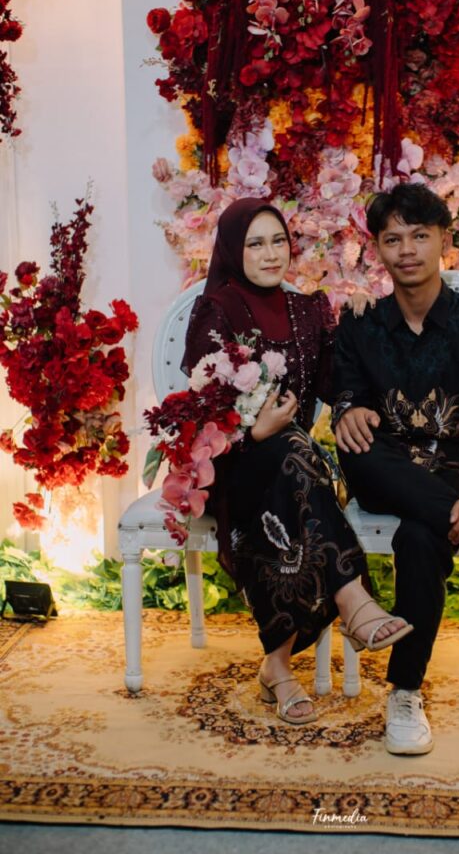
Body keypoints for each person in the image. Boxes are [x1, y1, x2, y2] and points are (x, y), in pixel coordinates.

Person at [181, 198, 412, 726]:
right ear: (233, 251)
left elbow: (338, 381)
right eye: (255, 244)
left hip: (292, 466)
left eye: (278, 241)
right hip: (232, 466)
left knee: (293, 463)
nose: (270, 254)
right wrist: (254, 431)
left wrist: (362, 320)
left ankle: (277, 668)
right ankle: (352, 598)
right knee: (292, 456)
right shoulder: (217, 310)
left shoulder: (308, 310)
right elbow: (199, 409)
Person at [332, 183, 459, 756]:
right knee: (360, 448)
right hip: (384, 467)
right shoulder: (360, 324)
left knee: (421, 538)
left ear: (445, 240)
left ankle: (404, 693)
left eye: (420, 236)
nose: (407, 250)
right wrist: (350, 409)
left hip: (456, 471)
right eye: (392, 239)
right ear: (377, 249)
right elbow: (345, 392)